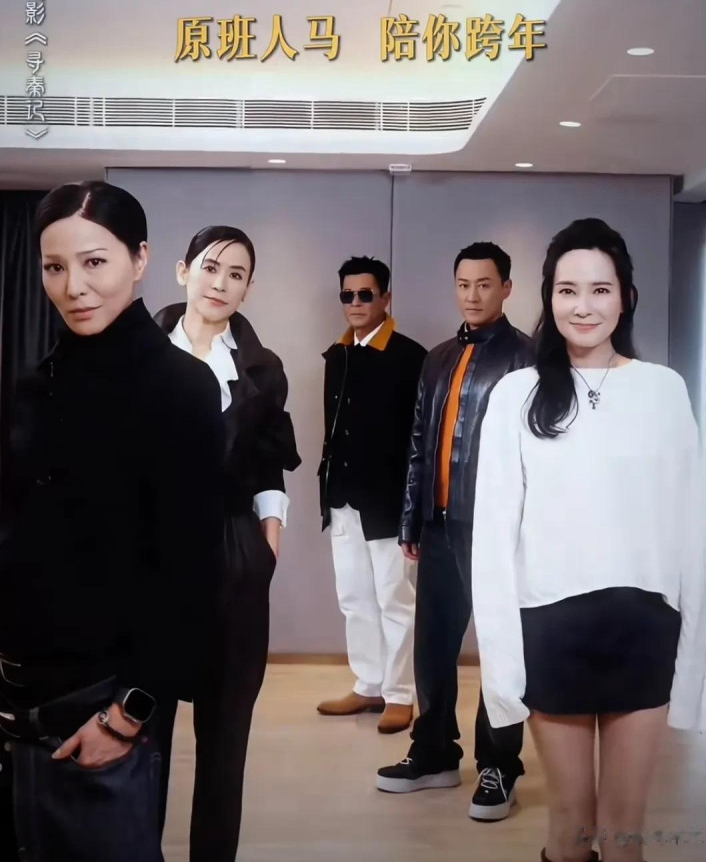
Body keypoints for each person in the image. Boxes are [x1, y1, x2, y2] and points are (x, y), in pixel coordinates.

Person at [471, 219, 706, 862]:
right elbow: (492, 539)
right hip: (552, 630)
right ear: (548, 297)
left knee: (625, 829)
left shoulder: (663, 389)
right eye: (567, 290)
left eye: (600, 290)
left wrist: (690, 662)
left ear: (625, 297)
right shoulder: (517, 394)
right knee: (571, 826)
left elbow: (691, 529)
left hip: (644, 628)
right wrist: (502, 670)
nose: (583, 306)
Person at [0, 181, 225, 862]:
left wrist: (130, 713)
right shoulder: (32, 385)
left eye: (94, 262)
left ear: (141, 259)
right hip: (18, 697)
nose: (74, 287)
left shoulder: (181, 388)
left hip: (104, 703)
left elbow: (190, 573)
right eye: (55, 266)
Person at [154, 225, 300, 862]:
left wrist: (268, 543)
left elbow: (270, 465)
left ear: (248, 288)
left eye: (236, 274)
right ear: (183, 270)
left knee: (224, 738)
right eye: (211, 267)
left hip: (235, 551)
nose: (221, 283)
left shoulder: (262, 368)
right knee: (143, 730)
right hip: (152, 557)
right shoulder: (141, 353)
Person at [377, 242, 533, 822]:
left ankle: (500, 765)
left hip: (495, 531)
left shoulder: (527, 358)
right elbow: (420, 443)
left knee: (499, 649)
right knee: (433, 649)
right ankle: (434, 752)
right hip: (438, 526)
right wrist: (411, 519)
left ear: (506, 288)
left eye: (484, 284)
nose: (472, 295)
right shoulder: (439, 358)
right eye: (464, 284)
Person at [317, 256, 426, 735]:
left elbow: (419, 439)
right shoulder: (337, 356)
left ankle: (400, 694)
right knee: (354, 598)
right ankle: (369, 684)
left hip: (387, 502)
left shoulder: (410, 358)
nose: (356, 303)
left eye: (366, 294)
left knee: (394, 601)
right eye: (348, 295)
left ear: (386, 298)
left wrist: (413, 509)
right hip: (342, 498)